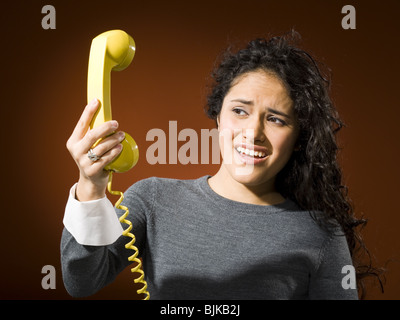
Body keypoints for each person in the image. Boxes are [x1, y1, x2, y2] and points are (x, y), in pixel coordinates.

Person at [61, 31, 379, 299]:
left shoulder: (320, 235)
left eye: (276, 119)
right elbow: (82, 280)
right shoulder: (152, 198)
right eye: (240, 111)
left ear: (298, 137)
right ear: (218, 116)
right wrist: (90, 186)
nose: (253, 133)